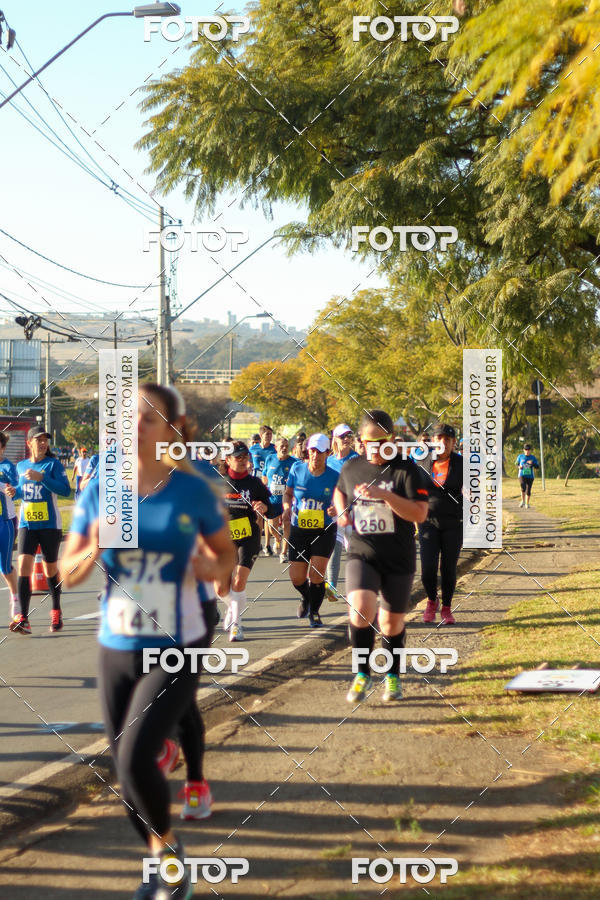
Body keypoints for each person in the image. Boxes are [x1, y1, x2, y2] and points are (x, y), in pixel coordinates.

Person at [59, 382, 235, 900]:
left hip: (177, 642)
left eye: (149, 418)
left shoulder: (194, 490)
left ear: (171, 430)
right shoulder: (99, 488)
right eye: (128, 417)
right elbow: (67, 573)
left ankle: (166, 863)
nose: (135, 426)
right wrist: (94, 545)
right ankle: (164, 853)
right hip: (118, 642)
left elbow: (225, 557)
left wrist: (210, 566)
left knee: (137, 757)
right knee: (125, 769)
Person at [333, 410, 429, 703]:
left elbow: (420, 514)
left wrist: (385, 495)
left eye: (380, 442)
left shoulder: (407, 471)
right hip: (363, 552)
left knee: (389, 624)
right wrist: (341, 514)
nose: (373, 449)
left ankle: (392, 676)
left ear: (393, 440)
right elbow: (339, 492)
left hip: (398, 557)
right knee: (360, 610)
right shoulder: (352, 468)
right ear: (360, 441)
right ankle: (362, 674)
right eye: (367, 443)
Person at [5, 425, 71, 634]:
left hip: (50, 525)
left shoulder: (53, 465)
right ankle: (23, 617)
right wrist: (12, 491)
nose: (43, 443)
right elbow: (19, 494)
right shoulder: (21, 466)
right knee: (24, 565)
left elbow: (66, 491)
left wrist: (42, 478)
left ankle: (56, 609)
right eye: (39, 439)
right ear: (29, 442)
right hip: (27, 524)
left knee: (50, 569)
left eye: (45, 440)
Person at [217, 440, 273, 641]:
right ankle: (233, 609)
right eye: (238, 457)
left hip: (248, 536)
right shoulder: (218, 482)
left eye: (245, 457)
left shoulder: (255, 483)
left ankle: (236, 624)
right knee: (221, 588)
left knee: (239, 581)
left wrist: (265, 508)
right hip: (223, 539)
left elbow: (272, 505)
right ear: (228, 460)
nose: (243, 461)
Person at [283, 433, 339, 628]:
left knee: (316, 575)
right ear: (308, 452)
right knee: (297, 578)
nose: (315, 455)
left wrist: (335, 509)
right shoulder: (297, 470)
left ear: (328, 453)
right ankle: (307, 598)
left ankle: (314, 612)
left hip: (324, 530)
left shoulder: (334, 476)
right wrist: (287, 508)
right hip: (299, 530)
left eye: (320, 452)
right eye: (313, 451)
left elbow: (342, 501)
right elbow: (288, 494)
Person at [418, 424, 463, 626]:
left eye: (447, 439)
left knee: (448, 567)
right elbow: (413, 489)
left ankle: (446, 607)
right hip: (427, 522)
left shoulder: (462, 464)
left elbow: (475, 488)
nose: (443, 443)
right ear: (433, 441)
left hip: (453, 523)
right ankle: (431, 600)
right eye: (439, 438)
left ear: (453, 442)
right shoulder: (423, 462)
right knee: (427, 568)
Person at [324, 424, 359, 601]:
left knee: (354, 551)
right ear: (335, 439)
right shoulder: (329, 461)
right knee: (335, 548)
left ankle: (359, 586)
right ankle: (332, 587)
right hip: (335, 513)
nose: (346, 439)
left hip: (354, 513)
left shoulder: (357, 460)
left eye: (349, 435)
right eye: (342, 436)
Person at [263, 437, 295, 562]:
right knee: (272, 528)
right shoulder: (270, 459)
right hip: (273, 499)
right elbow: (265, 476)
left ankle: (284, 552)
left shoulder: (294, 462)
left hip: (287, 500)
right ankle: (277, 538)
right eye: (281, 445)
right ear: (276, 448)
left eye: (286, 446)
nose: (284, 448)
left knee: (287, 522)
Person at [0, 432, 19, 622]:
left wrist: (6, 488)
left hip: (5, 522)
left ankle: (15, 598)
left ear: (2, 448)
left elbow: (15, 489)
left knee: (5, 567)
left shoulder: (7, 467)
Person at [516, 443, 540, 508]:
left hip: (530, 476)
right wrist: (519, 466)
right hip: (522, 475)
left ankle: (527, 503)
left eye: (528, 450)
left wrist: (532, 464)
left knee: (528, 490)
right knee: (523, 487)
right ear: (523, 450)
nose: (527, 451)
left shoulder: (533, 458)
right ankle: (522, 501)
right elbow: (516, 464)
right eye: (526, 449)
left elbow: (537, 466)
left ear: (530, 450)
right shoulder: (520, 456)